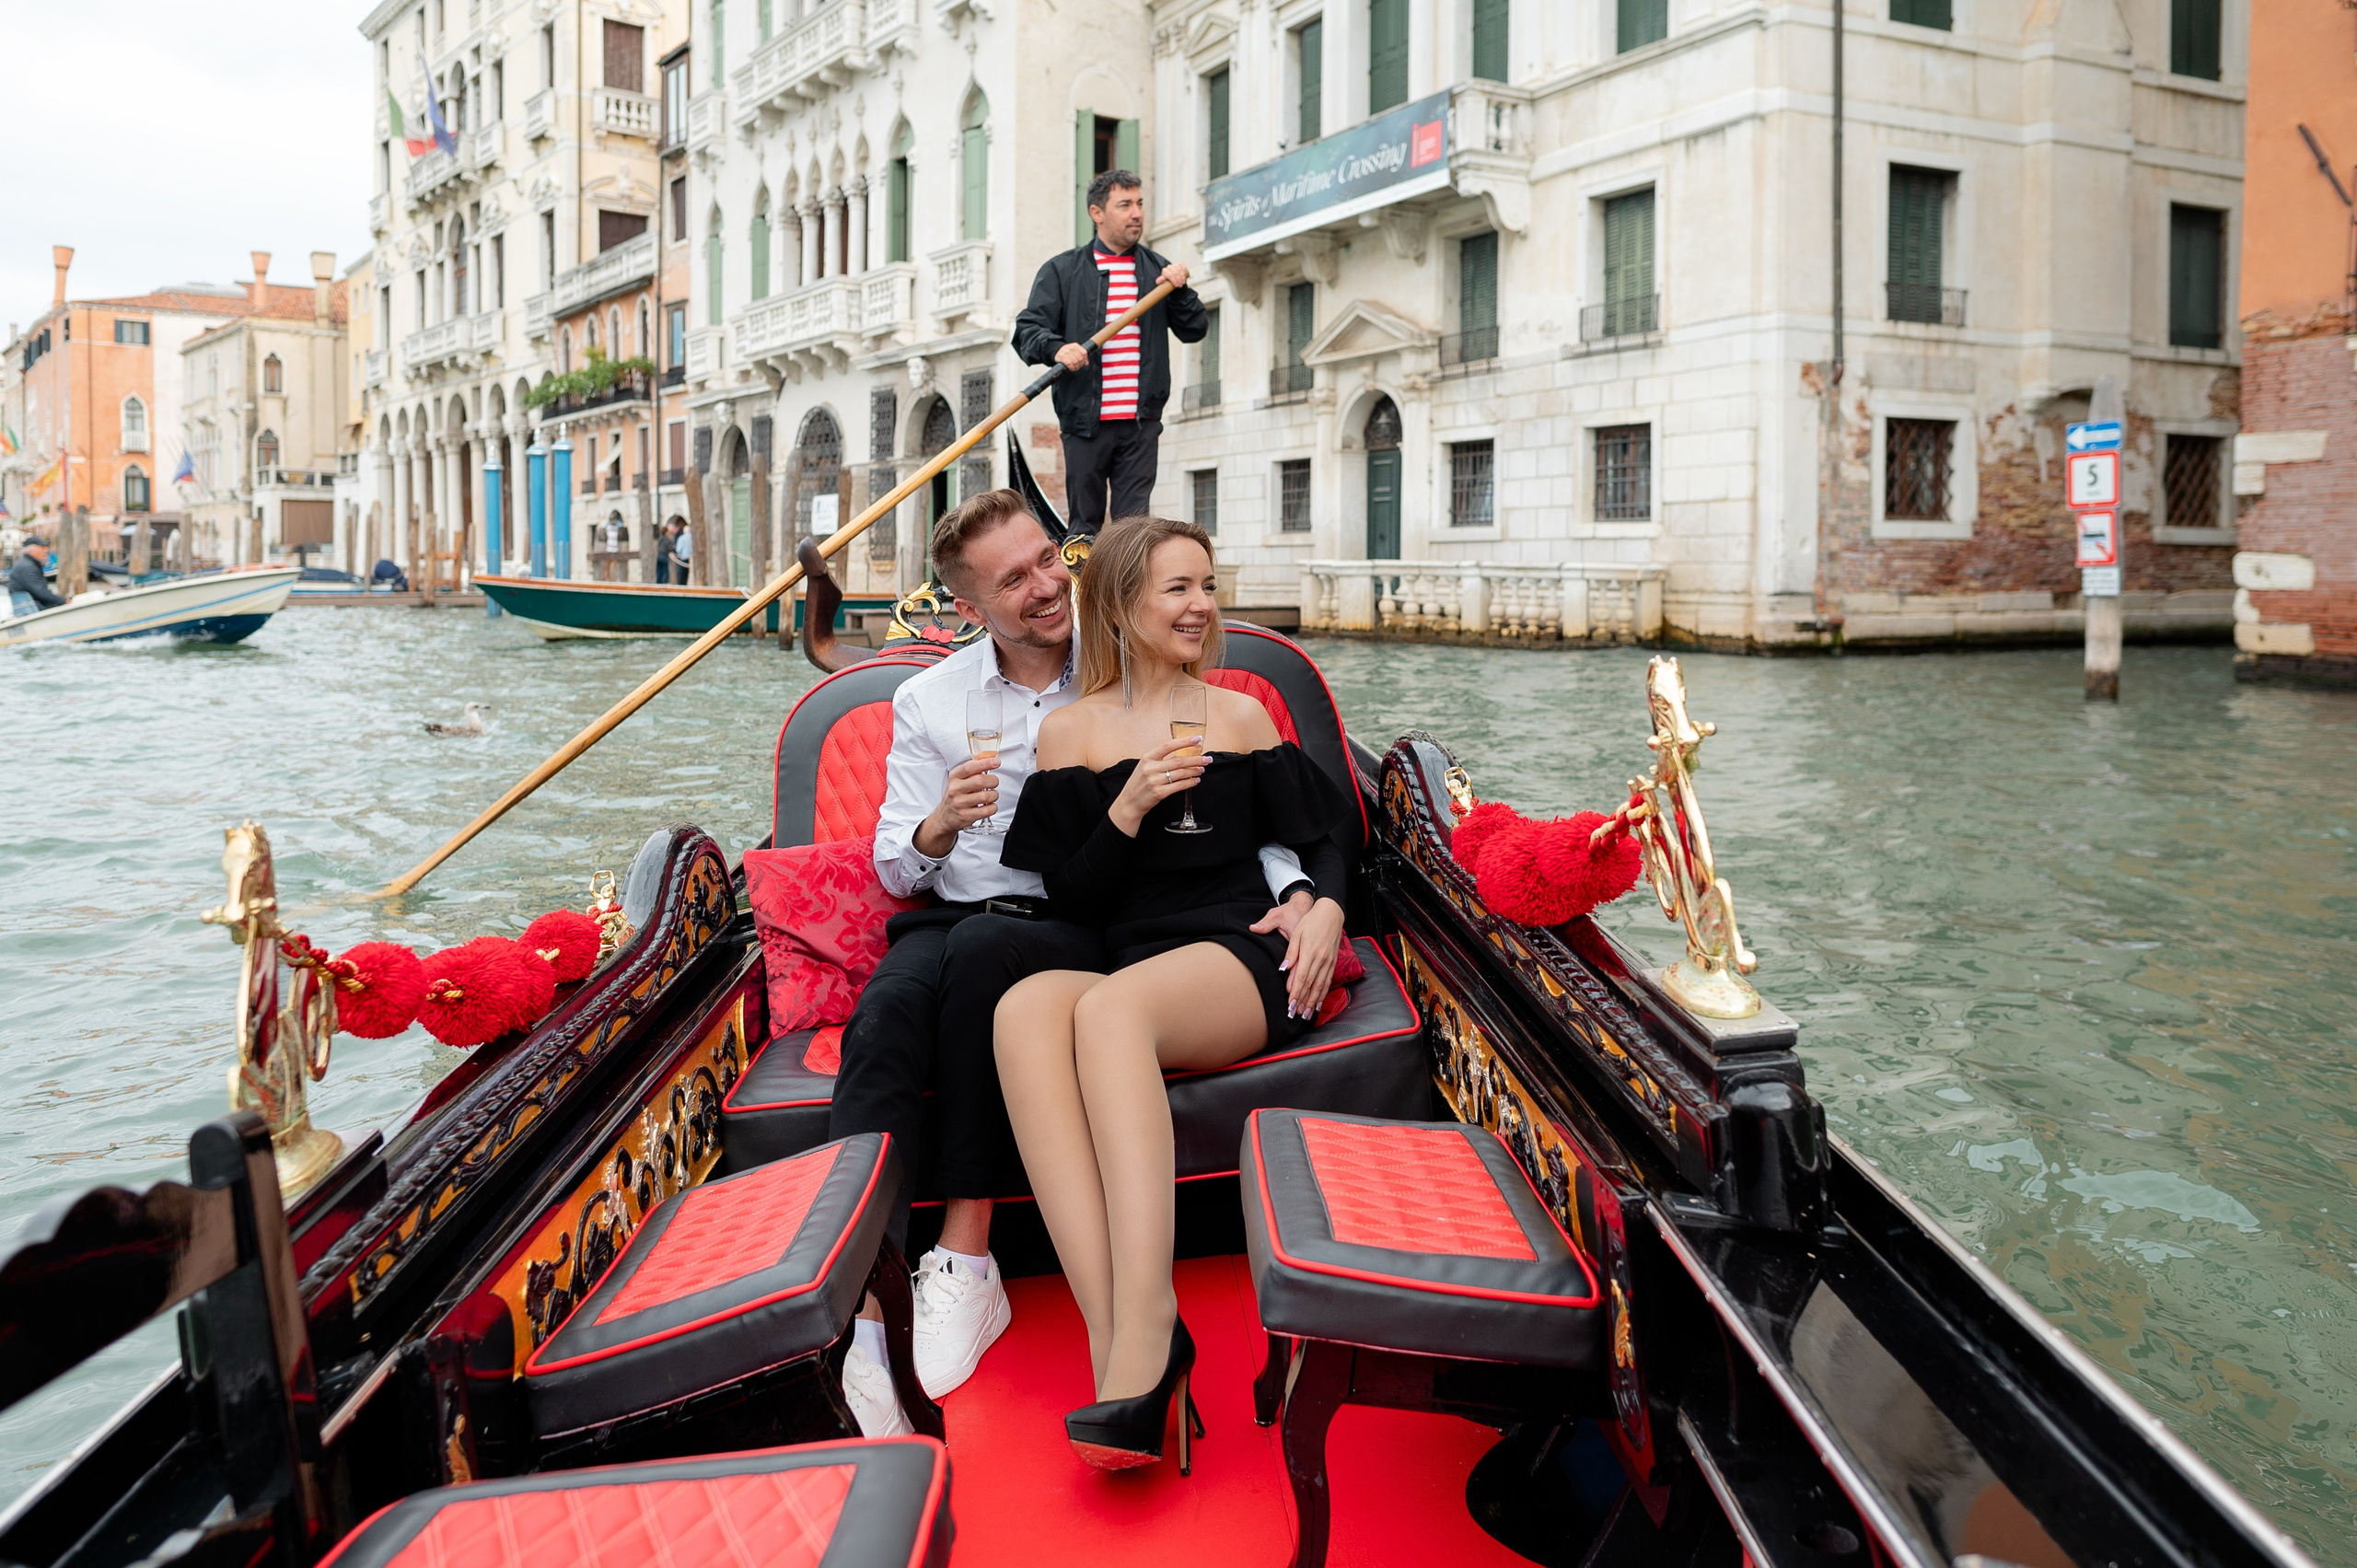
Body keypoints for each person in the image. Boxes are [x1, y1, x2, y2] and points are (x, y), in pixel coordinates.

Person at [830, 490, 1312, 1439]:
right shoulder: (930, 700)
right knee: (883, 1023)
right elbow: (895, 864)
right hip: (959, 905)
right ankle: (867, 1309)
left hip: (1075, 918)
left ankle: (968, 1253)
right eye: (1015, 579)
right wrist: (939, 822)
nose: (1048, 584)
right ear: (969, 606)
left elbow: (1262, 810)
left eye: (1049, 558)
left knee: (991, 961)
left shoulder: (1130, 652)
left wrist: (1304, 892)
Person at [994, 515, 1351, 1473]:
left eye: (1207, 586)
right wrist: (1127, 805)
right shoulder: (1068, 733)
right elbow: (1072, 897)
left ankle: (1149, 1328)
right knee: (1024, 1011)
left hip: (1239, 953)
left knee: (1110, 1011)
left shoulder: (1237, 716)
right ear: (1120, 605)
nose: (1201, 607)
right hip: (1132, 956)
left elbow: (1325, 838)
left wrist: (1321, 907)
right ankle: (1117, 1338)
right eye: (1178, 588)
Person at [1013, 169, 1207, 536]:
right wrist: (1058, 348)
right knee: (1083, 528)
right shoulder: (1062, 271)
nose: (1137, 213)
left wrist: (1181, 291)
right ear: (1097, 213)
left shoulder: (1158, 272)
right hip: (1084, 422)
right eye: (1125, 205)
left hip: (1140, 423)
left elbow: (1195, 329)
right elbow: (1026, 333)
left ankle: (1126, 578)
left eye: (1140, 204)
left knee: (1134, 531)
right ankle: (1081, 575)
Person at [8, 539, 68, 617]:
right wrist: (64, 600)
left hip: (30, 608)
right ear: (32, 551)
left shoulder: (26, 564)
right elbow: (41, 593)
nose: (46, 550)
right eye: (42, 547)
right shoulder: (28, 567)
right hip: (36, 610)